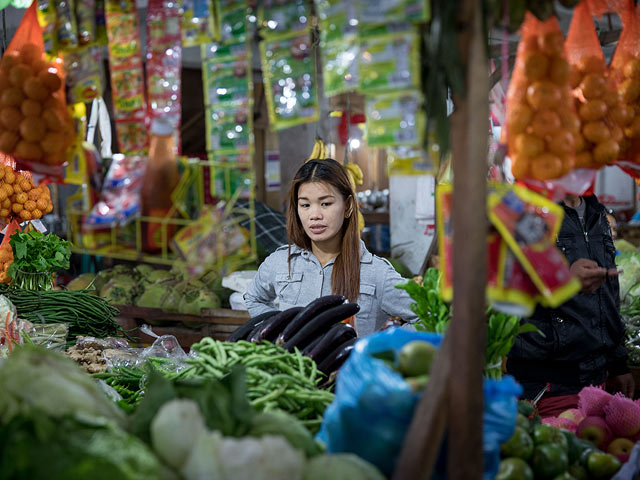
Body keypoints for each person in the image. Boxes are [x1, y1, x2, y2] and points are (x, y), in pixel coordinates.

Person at [243, 158, 417, 336]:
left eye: (325, 203)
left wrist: (380, 346)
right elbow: (253, 298)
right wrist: (277, 330)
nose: (314, 215)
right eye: (305, 205)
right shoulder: (280, 262)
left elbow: (425, 317)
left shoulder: (377, 273)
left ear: (348, 206)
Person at [507, 194, 632, 417]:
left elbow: (609, 295)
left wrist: (618, 363)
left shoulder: (597, 213)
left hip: (596, 381)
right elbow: (502, 284)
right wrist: (561, 279)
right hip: (548, 386)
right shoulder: (528, 211)